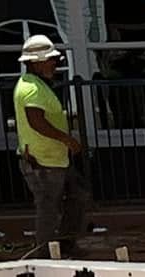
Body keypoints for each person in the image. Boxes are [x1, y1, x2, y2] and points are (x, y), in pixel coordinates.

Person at [12, 35, 89, 258]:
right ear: (36, 62)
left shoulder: (36, 85)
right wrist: (66, 139)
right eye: (50, 60)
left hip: (54, 159)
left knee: (78, 195)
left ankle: (65, 243)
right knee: (48, 208)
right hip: (42, 162)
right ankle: (43, 253)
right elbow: (36, 121)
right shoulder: (32, 89)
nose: (55, 63)